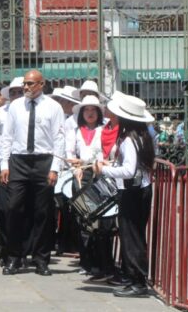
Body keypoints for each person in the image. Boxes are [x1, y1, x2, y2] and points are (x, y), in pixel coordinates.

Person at [0, 70, 65, 276]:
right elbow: (6, 137)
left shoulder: (54, 107)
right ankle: (14, 257)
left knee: (43, 213)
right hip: (19, 160)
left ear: (41, 84)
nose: (26, 87)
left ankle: (41, 258)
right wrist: (4, 164)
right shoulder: (15, 106)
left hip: (43, 160)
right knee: (13, 208)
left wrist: (55, 168)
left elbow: (59, 139)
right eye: (25, 84)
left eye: (30, 84)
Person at [95, 93, 155, 297]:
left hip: (134, 191)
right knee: (132, 236)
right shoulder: (142, 135)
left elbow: (129, 170)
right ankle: (133, 278)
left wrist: (103, 170)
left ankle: (138, 281)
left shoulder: (129, 139)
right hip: (140, 189)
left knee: (132, 238)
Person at [64, 95, 112, 279]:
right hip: (81, 176)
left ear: (99, 113)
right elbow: (69, 152)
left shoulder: (104, 130)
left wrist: (96, 163)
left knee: (100, 221)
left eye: (93, 110)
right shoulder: (76, 131)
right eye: (86, 110)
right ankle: (86, 261)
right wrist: (74, 166)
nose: (90, 113)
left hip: (100, 176)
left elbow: (106, 152)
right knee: (83, 220)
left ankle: (102, 262)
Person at [0, 76, 24, 267]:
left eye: (20, 92)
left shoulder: (28, 112)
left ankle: (20, 251)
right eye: (14, 92)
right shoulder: (1, 113)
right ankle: (4, 248)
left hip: (22, 165)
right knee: (4, 209)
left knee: (21, 210)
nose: (17, 95)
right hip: (4, 164)